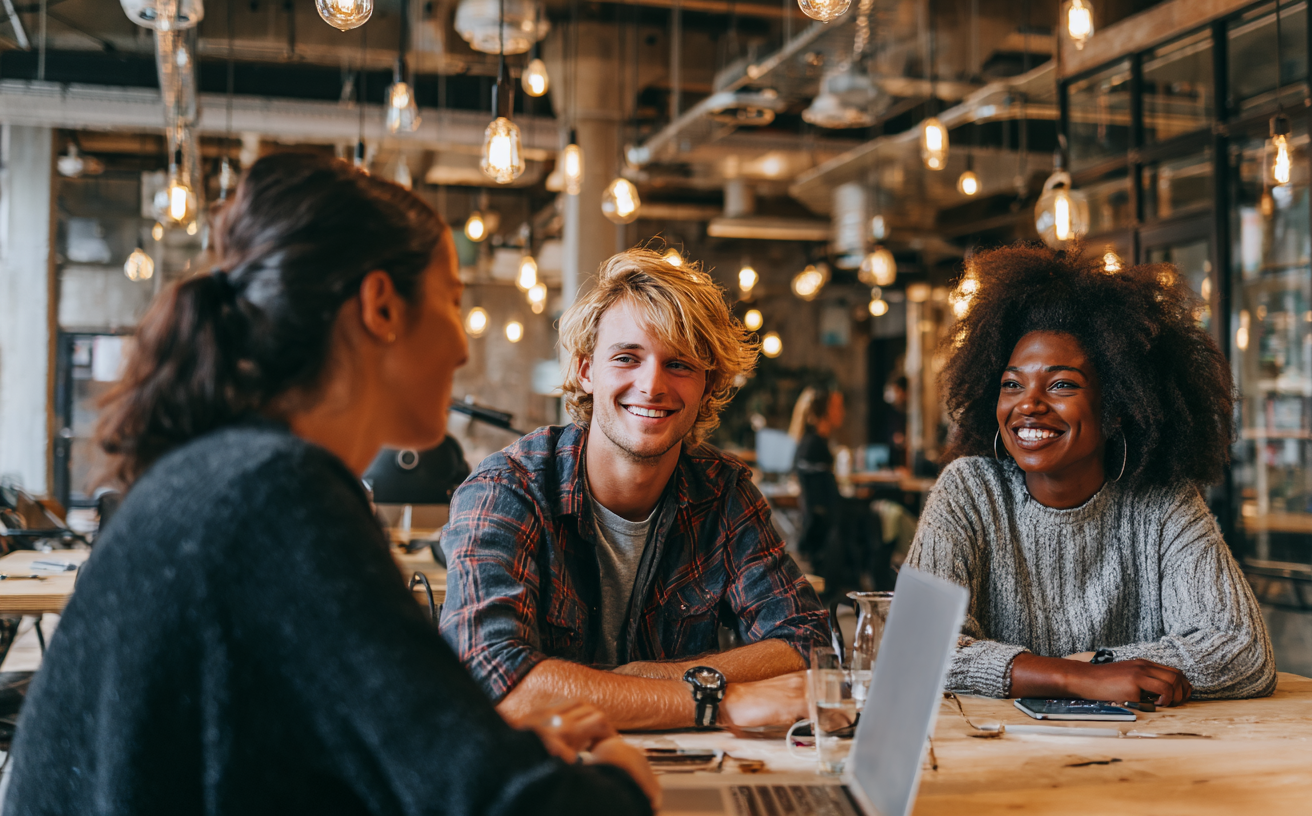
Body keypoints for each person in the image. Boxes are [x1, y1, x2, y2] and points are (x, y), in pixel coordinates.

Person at [6, 154, 657, 815]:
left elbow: (285, 756)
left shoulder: (220, 473)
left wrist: (488, 743)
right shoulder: (278, 496)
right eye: (454, 301)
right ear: (380, 306)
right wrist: (626, 776)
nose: (463, 348)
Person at [440, 249, 831, 731]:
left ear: (708, 385)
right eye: (627, 358)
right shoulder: (507, 489)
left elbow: (808, 643)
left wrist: (644, 678)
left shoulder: (723, 494)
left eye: (680, 365)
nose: (652, 385)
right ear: (586, 370)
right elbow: (491, 681)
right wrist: (715, 700)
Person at [906, 245, 1276, 707]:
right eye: (1012, 384)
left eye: (1061, 384)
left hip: (1143, 759)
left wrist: (1095, 665)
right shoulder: (969, 491)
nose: (1028, 405)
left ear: (1116, 407)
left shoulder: (1162, 501)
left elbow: (1241, 648)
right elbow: (915, 650)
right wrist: (1073, 679)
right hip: (999, 753)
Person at [787, 386, 843, 566]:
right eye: (837, 407)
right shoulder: (814, 446)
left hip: (817, 529)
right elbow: (828, 502)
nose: (842, 412)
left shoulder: (812, 442)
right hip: (823, 534)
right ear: (825, 411)